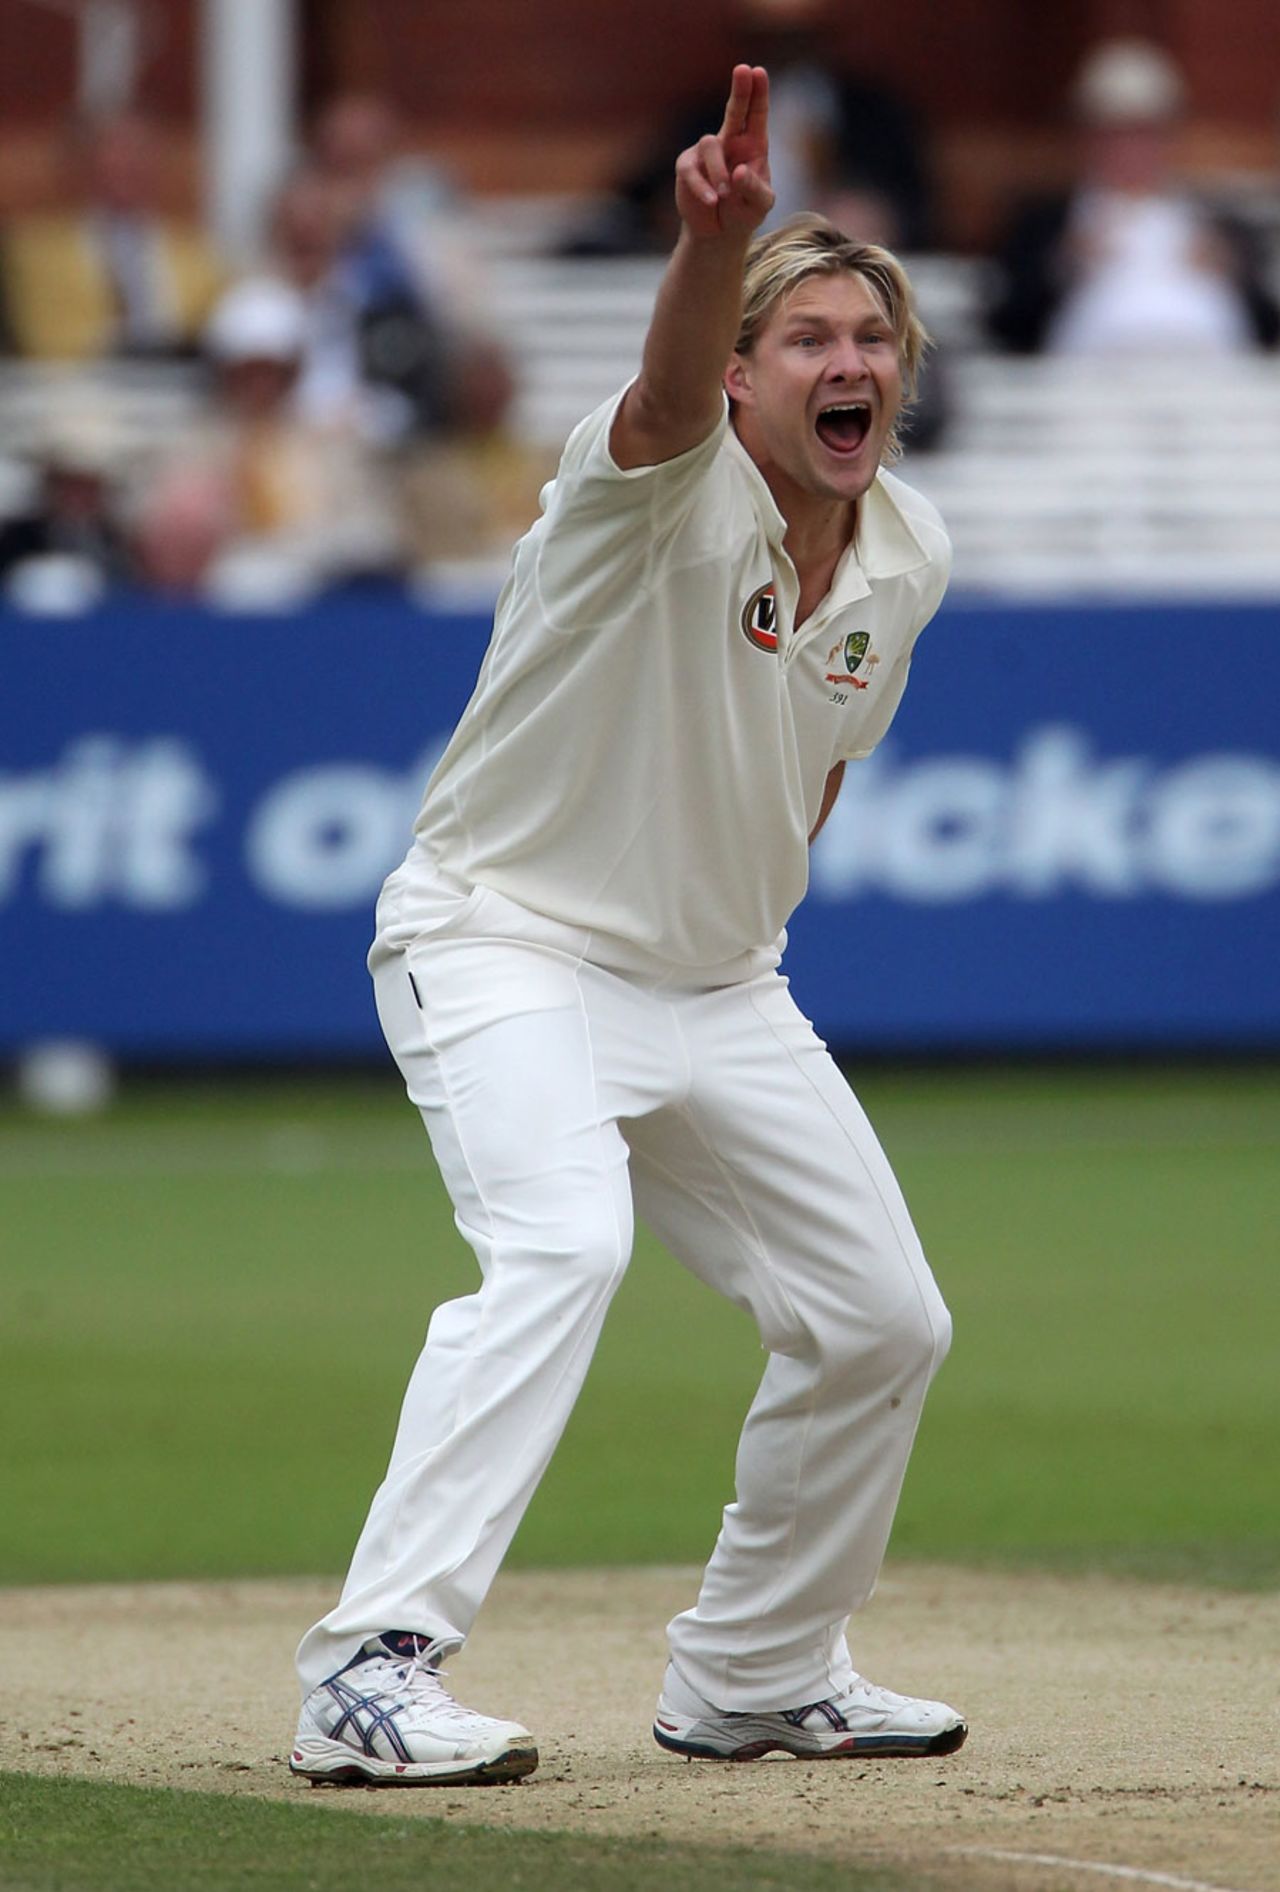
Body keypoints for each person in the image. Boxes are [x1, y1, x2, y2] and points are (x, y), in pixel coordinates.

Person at [290, 65, 964, 1788]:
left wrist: (728, 927)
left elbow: (812, 774)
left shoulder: (906, 551)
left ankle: (756, 1669)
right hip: (505, 935)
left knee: (883, 1319)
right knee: (563, 1249)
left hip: (721, 986)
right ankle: (370, 1668)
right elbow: (663, 396)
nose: (848, 364)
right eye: (805, 339)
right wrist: (710, 242)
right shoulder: (652, 478)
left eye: (871, 340)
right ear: (741, 372)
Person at [986, 38, 1280, 356]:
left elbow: (1268, 328)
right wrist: (1061, 265)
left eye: (1144, 134)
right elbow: (1007, 328)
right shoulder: (1042, 225)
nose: (1129, 150)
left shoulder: (1217, 223)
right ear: (1086, 137)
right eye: (1114, 134)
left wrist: (1233, 273)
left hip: (1211, 375)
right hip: (1081, 379)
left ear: (1169, 138)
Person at [0, 110, 223, 362]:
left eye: (137, 157)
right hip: (76, 381)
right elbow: (44, 339)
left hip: (177, 382)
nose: (124, 169)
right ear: (80, 165)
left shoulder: (196, 253)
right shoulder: (33, 250)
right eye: (111, 157)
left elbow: (216, 332)